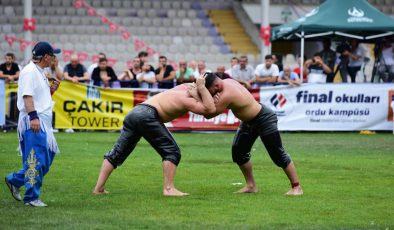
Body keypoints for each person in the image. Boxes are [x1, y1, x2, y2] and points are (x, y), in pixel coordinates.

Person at [92, 74, 215, 196]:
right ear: (204, 88)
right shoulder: (188, 98)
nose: (215, 93)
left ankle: (98, 188)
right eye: (214, 89)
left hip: (135, 112)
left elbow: (201, 99)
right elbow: (210, 109)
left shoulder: (184, 86)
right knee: (172, 151)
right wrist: (202, 89)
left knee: (117, 152)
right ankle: (169, 190)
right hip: (148, 115)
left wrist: (200, 90)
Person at [188, 73, 303, 195]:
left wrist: (197, 94)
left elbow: (208, 113)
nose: (208, 94)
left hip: (264, 119)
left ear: (216, 85)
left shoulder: (227, 94)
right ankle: (251, 185)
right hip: (249, 121)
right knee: (239, 153)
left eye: (208, 90)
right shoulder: (227, 82)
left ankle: (297, 187)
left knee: (278, 154)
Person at [5, 41, 61, 207]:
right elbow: (27, 97)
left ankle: (14, 180)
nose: (53, 58)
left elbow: (39, 97)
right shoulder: (30, 72)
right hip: (34, 121)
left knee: (46, 158)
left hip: (42, 121)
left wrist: (52, 90)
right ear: (45, 56)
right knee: (35, 160)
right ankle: (31, 198)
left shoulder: (40, 71)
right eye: (52, 55)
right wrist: (33, 117)